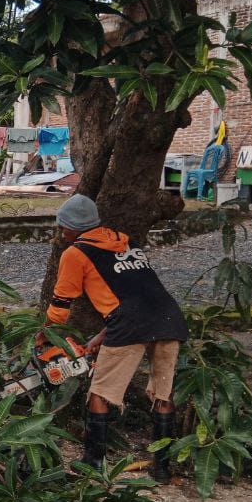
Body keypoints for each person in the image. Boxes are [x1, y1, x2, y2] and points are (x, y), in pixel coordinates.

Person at [43, 194, 188, 479]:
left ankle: (93, 462)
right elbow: (136, 296)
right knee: (163, 392)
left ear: (74, 227)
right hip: (169, 317)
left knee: (101, 392)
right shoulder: (126, 243)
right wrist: (101, 336)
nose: (62, 232)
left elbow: (61, 303)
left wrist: (45, 334)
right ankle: (162, 468)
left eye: (63, 226)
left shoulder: (75, 253)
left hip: (130, 323)